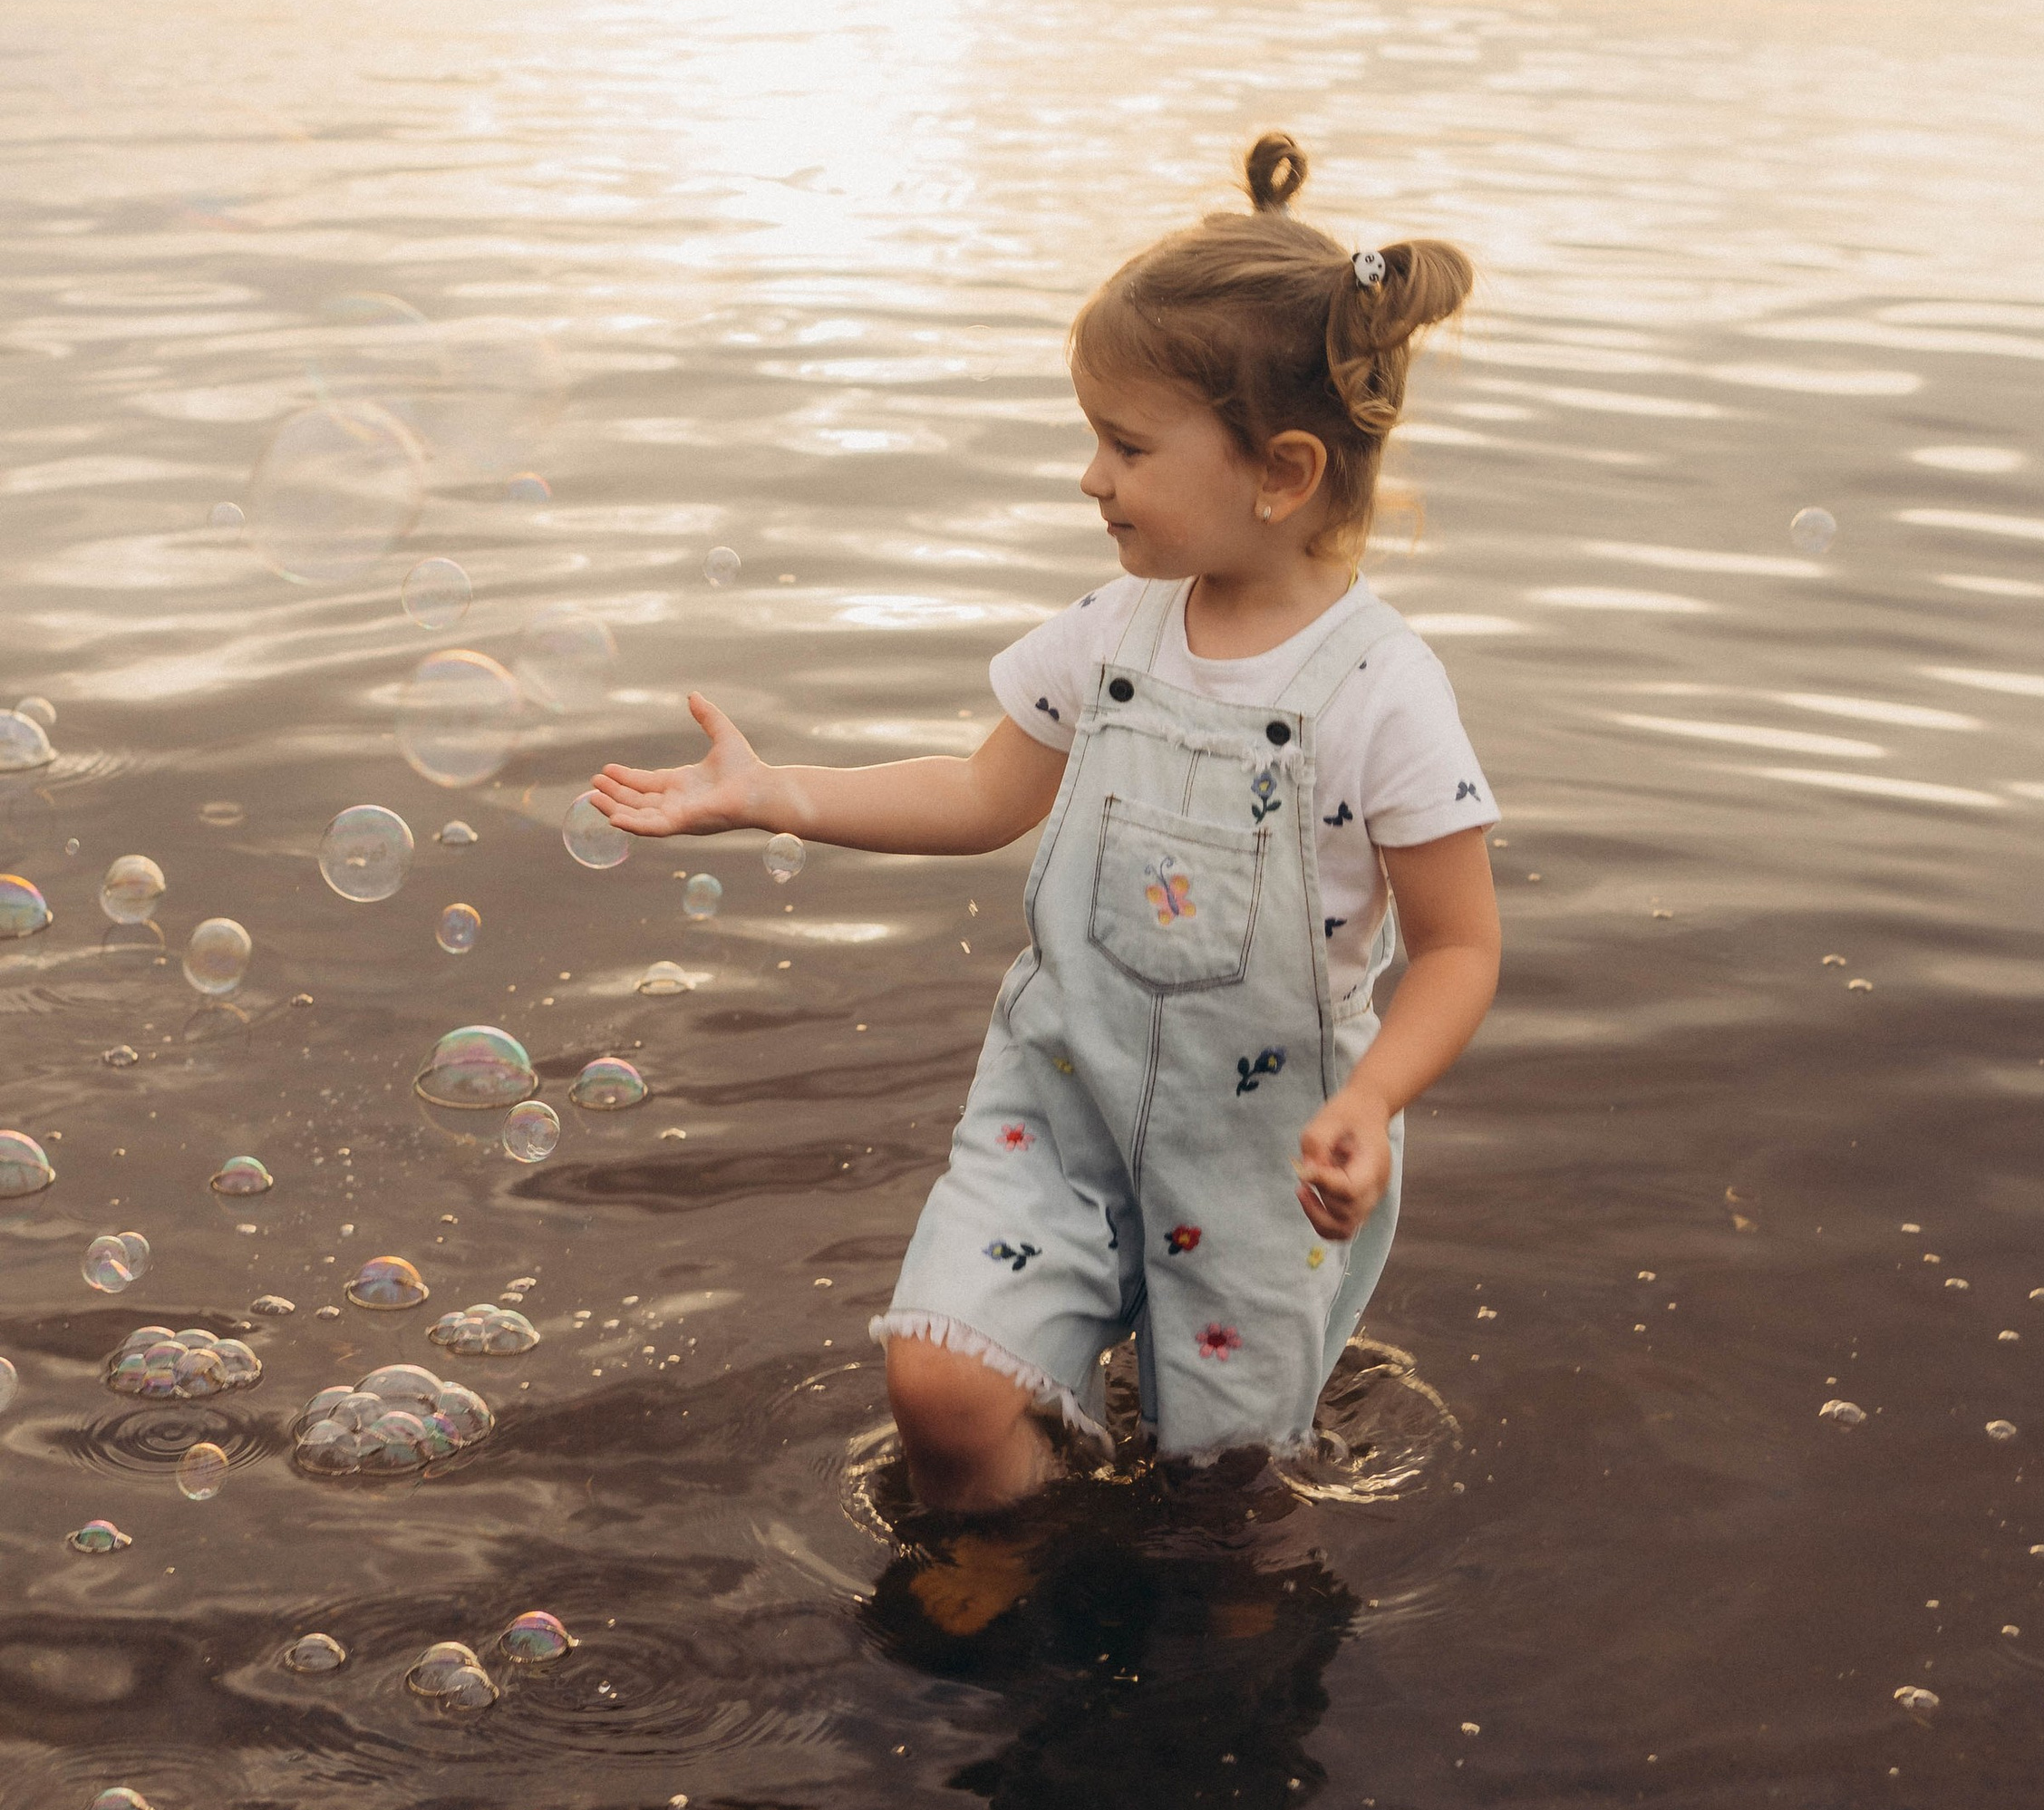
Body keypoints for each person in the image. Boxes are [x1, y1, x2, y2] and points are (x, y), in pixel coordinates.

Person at [586, 131, 1499, 1508]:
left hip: (1262, 1158)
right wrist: (775, 797)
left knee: (1230, 1496)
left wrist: (1371, 1103)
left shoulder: (1384, 694)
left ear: (1283, 470)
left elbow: (1459, 951)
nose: (1090, 477)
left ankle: (1206, 1673)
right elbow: (979, 792)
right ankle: (997, 1578)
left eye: (1126, 447)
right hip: (1058, 1106)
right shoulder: (1110, 634)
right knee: (941, 1391)